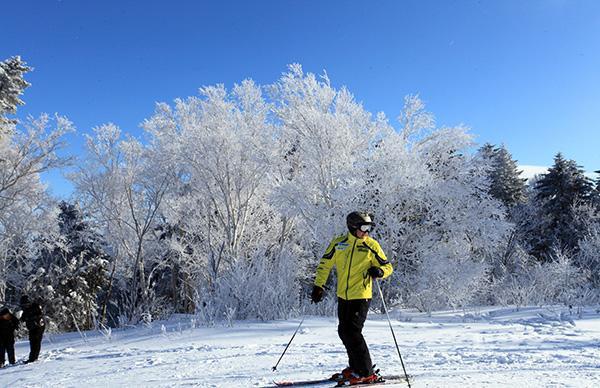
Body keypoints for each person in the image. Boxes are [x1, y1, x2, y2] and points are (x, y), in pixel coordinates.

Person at [311, 211, 393, 385]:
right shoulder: (339, 244)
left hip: (361, 296)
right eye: (364, 227)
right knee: (344, 332)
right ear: (353, 227)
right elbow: (325, 264)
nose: (367, 232)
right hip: (343, 296)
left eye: (369, 228)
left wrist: (379, 271)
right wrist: (319, 286)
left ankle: (366, 372)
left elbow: (388, 267)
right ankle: (355, 368)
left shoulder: (371, 245)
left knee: (352, 332)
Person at [19, 295, 45, 363]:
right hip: (31, 327)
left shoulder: (36, 306)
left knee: (36, 342)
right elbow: (23, 318)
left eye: (26, 304)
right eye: (24, 305)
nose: (25, 306)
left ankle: (34, 358)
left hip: (38, 326)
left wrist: (30, 318)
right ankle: (32, 358)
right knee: (32, 342)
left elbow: (40, 315)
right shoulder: (25, 310)